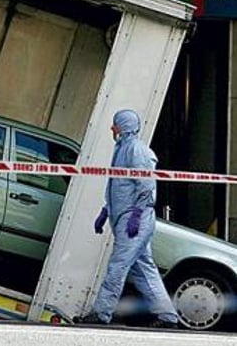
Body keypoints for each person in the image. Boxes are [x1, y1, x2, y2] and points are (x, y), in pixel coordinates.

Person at [75, 109, 179, 329]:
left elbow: (147, 186)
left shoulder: (136, 150)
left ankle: (102, 313)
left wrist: (137, 214)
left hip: (135, 219)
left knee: (117, 266)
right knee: (143, 269)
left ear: (123, 126)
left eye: (115, 124)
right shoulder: (122, 149)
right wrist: (106, 211)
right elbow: (121, 188)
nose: (112, 128)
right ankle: (168, 316)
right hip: (128, 218)